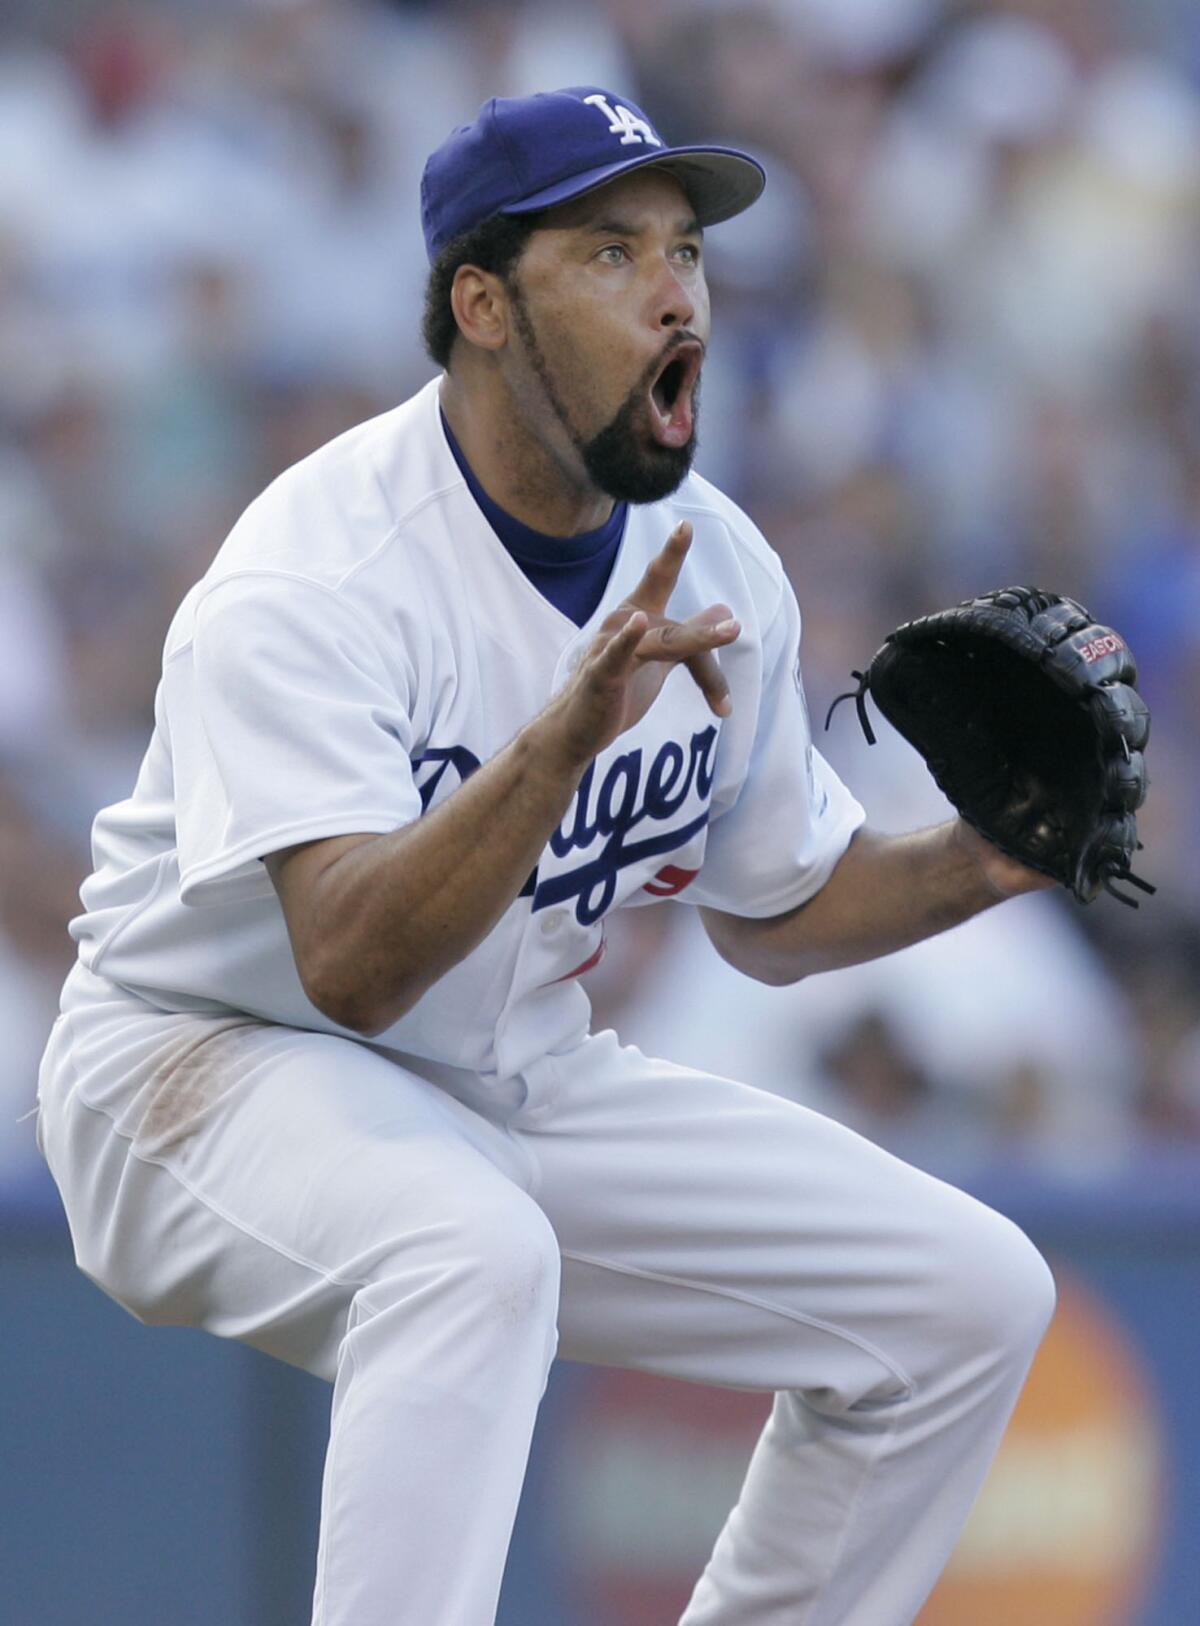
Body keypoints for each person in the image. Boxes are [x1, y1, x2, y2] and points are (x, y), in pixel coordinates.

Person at [37, 87, 1057, 1626]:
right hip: (201, 1066)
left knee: (968, 1299)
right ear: (482, 305)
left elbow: (774, 909)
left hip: (504, 1072)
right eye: (610, 250)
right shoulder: (317, 575)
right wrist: (559, 741)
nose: (675, 291)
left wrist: (985, 858)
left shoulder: (714, 558)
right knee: (473, 1252)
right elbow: (355, 965)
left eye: (689, 253)